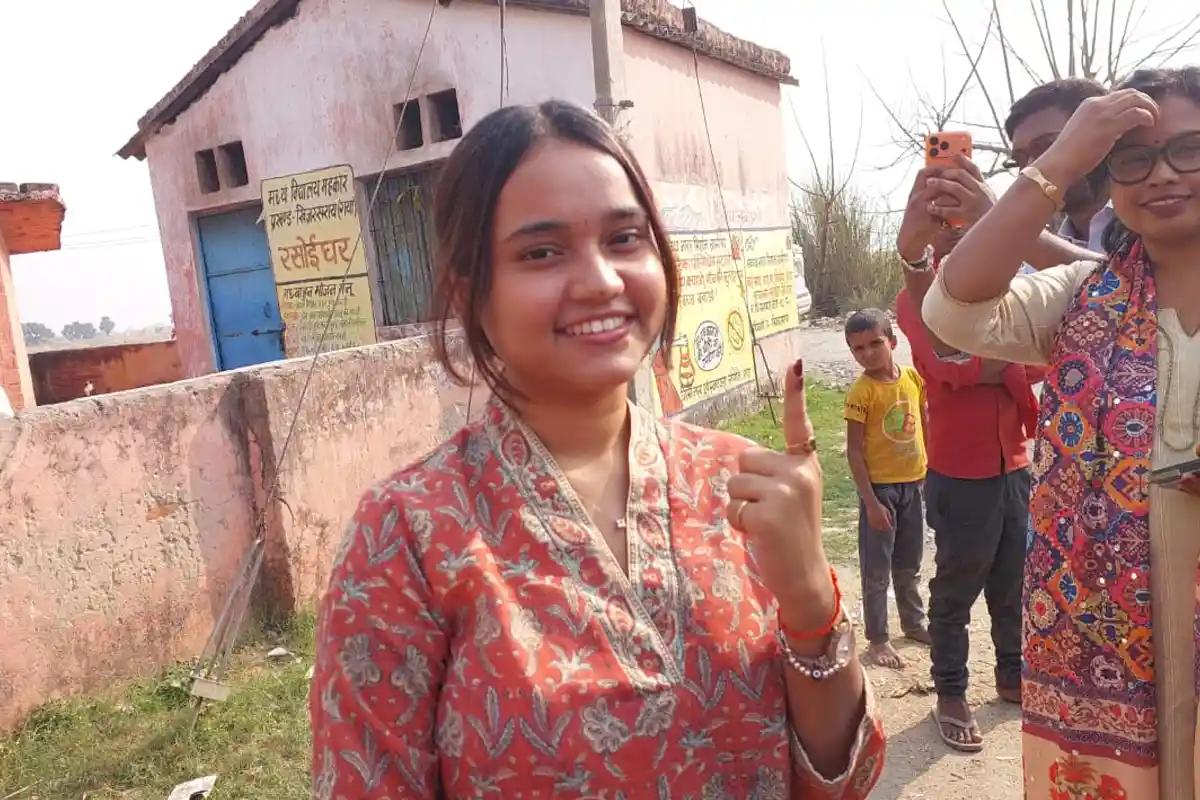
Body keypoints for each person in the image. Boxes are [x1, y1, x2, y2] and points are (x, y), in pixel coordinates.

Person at [309, 99, 885, 798]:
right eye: (541, 252)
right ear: (470, 293)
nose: (601, 283)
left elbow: (837, 780)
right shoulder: (406, 536)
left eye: (624, 239)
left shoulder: (741, 482)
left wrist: (807, 597)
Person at [924, 67, 1200, 798]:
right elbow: (953, 311)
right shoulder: (1085, 298)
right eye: (1134, 161)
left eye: (1189, 150)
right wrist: (1055, 166)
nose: (1163, 175)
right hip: (1111, 623)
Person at [891, 157, 1094, 752]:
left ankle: (1011, 674)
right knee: (956, 588)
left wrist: (998, 364)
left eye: (968, 211)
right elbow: (955, 367)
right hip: (961, 470)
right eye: (944, 218)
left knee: (1012, 580)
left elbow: (1037, 359)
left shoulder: (1011, 293)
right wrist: (1006, 362)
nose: (958, 227)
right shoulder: (917, 302)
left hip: (1015, 462)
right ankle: (950, 692)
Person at [842, 309, 930, 671]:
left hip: (914, 485)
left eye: (875, 343)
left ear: (892, 342)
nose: (868, 353)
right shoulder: (861, 393)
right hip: (880, 492)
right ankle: (878, 638)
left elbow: (924, 420)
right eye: (858, 348)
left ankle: (913, 622)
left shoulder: (912, 377)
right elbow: (853, 452)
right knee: (877, 569)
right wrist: (871, 503)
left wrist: (931, 469)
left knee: (910, 563)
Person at [1005, 77, 1114, 254]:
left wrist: (1006, 226)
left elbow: (1119, 279)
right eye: (1020, 158)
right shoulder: (1035, 259)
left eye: (1048, 146)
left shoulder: (1155, 223)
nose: (1031, 168)